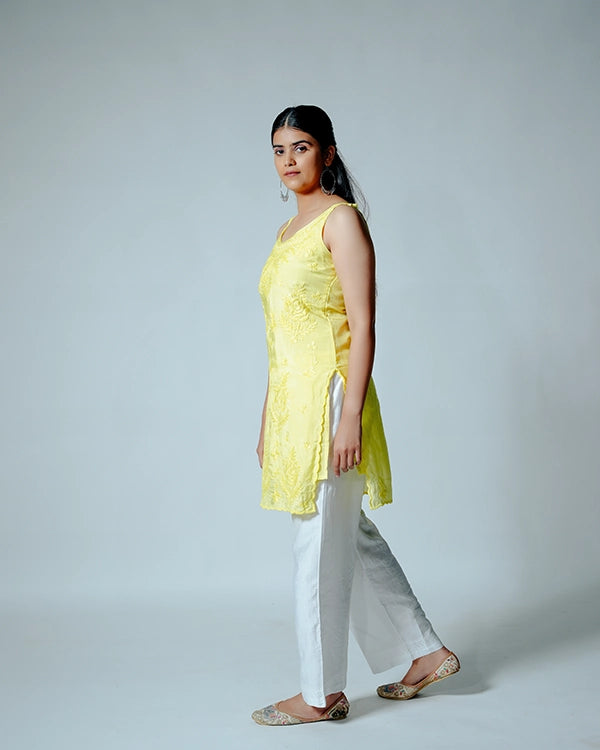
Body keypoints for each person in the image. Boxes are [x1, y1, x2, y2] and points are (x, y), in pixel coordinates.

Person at [252, 105, 460, 726]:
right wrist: (267, 415)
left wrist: (350, 418)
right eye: (279, 149)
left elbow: (363, 326)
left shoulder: (340, 221)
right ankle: (426, 652)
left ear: (328, 153)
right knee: (349, 533)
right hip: (293, 403)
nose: (289, 160)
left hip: (331, 398)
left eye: (301, 146)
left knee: (318, 543)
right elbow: (281, 337)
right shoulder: (286, 232)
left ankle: (320, 695)